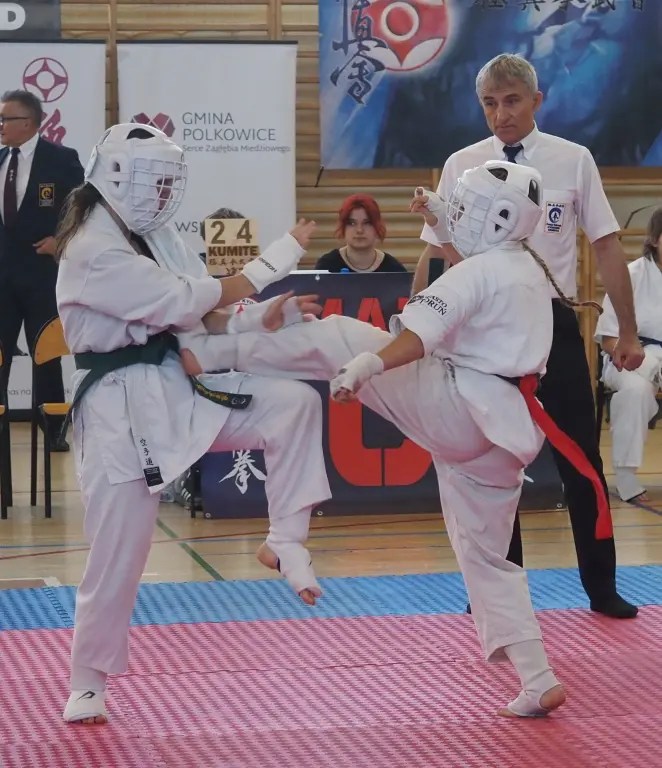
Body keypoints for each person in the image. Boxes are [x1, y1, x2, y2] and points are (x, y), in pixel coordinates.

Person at [180, 160, 618, 717]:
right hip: (503, 435)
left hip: (456, 405)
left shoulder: (476, 274)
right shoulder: (527, 267)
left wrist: (368, 365)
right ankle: (537, 677)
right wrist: (439, 217)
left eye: (465, 208)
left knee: (339, 336)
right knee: (485, 557)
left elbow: (415, 337)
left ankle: (214, 352)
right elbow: (474, 265)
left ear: (494, 217)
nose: (458, 214)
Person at [55, 123, 331, 724]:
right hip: (118, 410)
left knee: (295, 404)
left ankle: (286, 540)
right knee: (118, 550)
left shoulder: (155, 235)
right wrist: (280, 256)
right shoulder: (92, 247)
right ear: (117, 178)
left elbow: (202, 314)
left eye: (166, 183)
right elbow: (186, 300)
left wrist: (263, 317)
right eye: (152, 182)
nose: (161, 195)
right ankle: (87, 680)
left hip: (177, 387)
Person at [411, 53, 643, 619]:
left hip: (551, 323)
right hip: (484, 331)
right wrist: (417, 323)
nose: (501, 114)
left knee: (581, 459)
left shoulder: (572, 159)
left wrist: (628, 331)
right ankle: (496, 591)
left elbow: (606, 245)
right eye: (490, 104)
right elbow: (436, 252)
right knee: (490, 466)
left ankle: (602, 586)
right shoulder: (462, 164)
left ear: (537, 101)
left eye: (512, 101)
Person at [0, 89, 84, 451]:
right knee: (0, 353)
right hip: (2, 276)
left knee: (46, 355)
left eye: (5, 119)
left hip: (43, 274)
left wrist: (60, 240)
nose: (1, 126)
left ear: (28, 123)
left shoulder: (61, 159)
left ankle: (53, 431)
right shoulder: (1, 159)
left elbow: (83, 209)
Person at [595, 207, 662, 503]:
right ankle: (625, 477)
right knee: (635, 390)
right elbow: (608, 338)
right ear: (655, 240)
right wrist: (631, 356)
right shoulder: (631, 276)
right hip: (631, 357)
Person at [315, 193, 407, 273]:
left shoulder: (394, 269)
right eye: (352, 223)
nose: (359, 230)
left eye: (367, 223)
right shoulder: (327, 266)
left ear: (377, 226)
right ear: (343, 227)